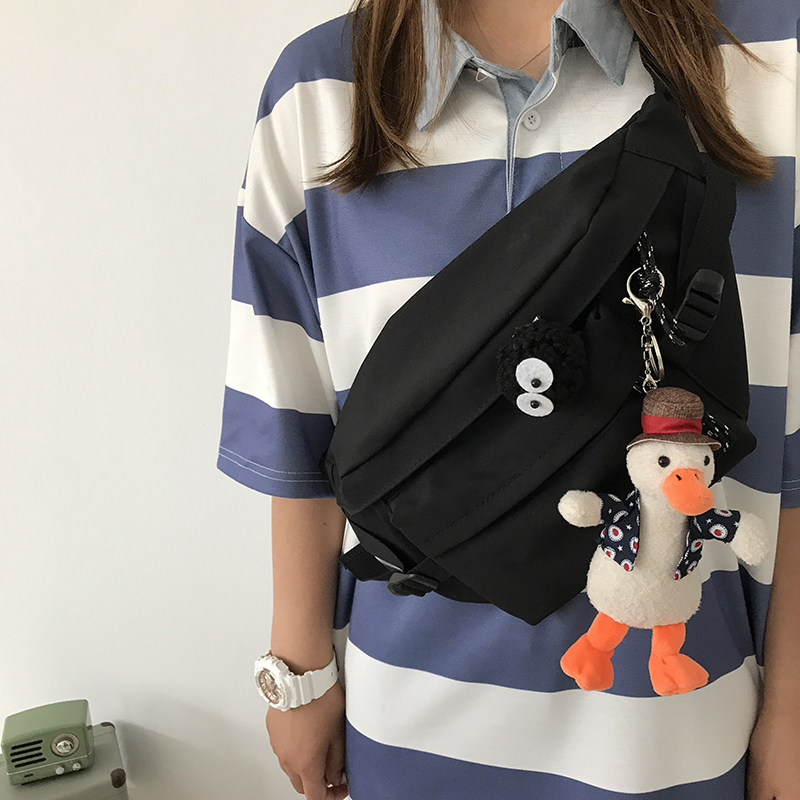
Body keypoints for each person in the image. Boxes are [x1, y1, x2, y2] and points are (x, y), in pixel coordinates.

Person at [217, 0, 800, 797]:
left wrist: (793, 707)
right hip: (408, 724)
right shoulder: (319, 89)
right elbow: (298, 426)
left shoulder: (768, 50)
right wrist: (297, 674)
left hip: (677, 732)